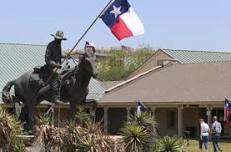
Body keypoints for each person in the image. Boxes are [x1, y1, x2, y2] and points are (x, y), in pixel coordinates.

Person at [45, 30, 67, 104]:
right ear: (55, 38)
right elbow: (47, 59)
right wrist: (55, 65)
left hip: (58, 66)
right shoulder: (50, 45)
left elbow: (59, 55)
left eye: (60, 40)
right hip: (51, 66)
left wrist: (66, 56)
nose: (59, 41)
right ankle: (55, 97)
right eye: (58, 39)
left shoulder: (59, 45)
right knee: (57, 75)